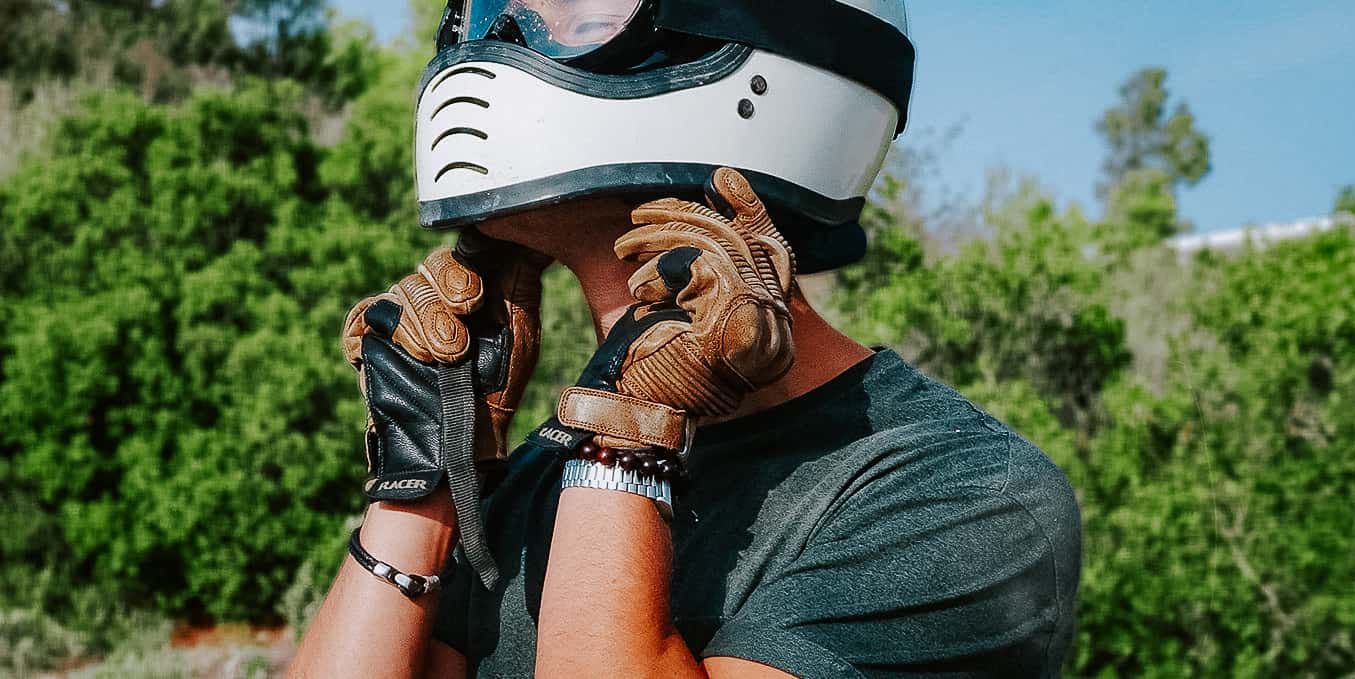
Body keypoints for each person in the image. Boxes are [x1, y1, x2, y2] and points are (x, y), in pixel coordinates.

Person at [288, 1, 1081, 677]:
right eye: (490, 8)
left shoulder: (962, 498)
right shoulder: (537, 476)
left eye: (573, 7)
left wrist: (625, 442)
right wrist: (420, 484)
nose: (501, 35)